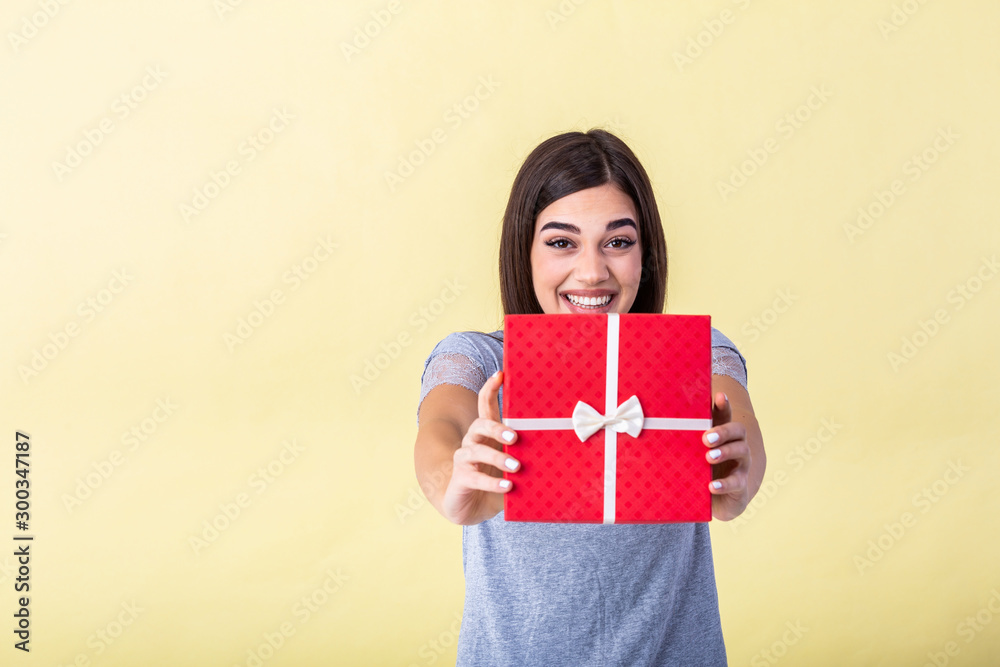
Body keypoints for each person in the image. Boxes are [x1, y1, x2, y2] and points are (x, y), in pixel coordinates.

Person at [413, 129, 765, 666]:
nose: (592, 271)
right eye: (561, 242)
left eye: (617, 242)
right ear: (524, 250)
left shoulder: (692, 354)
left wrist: (739, 479)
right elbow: (441, 425)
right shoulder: (482, 358)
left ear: (645, 253)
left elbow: (740, 423)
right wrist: (452, 486)